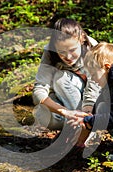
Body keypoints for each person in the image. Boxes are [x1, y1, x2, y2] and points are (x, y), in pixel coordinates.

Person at [32, 18, 101, 146]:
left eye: (72, 50)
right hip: (66, 96)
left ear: (81, 40)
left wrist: (87, 116)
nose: (68, 57)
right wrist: (64, 112)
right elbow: (39, 90)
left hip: (91, 99)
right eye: (62, 52)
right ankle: (71, 127)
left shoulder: (92, 47)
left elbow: (94, 86)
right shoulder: (49, 52)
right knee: (42, 116)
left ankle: (86, 128)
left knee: (60, 78)